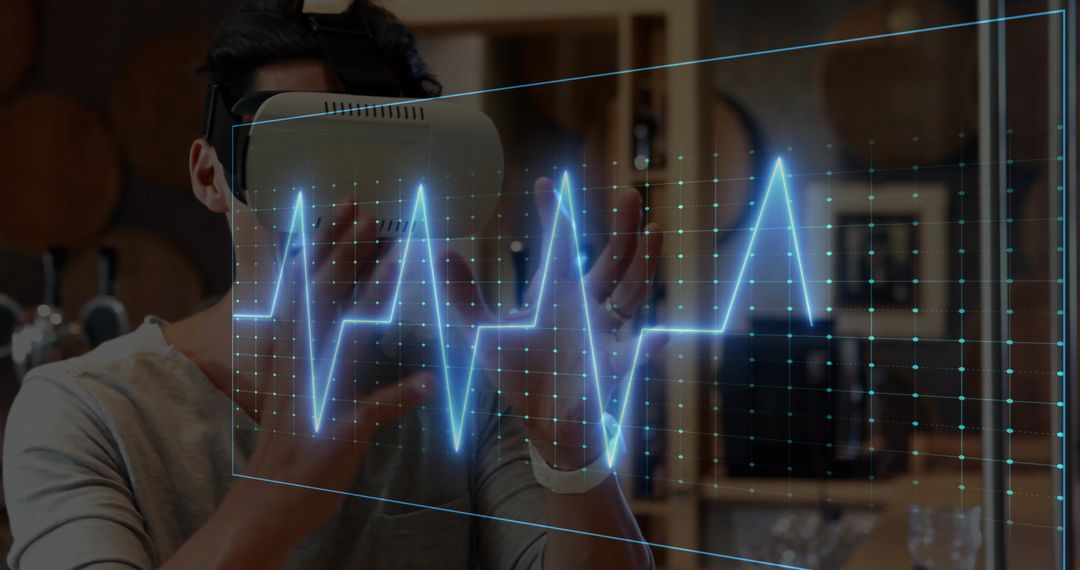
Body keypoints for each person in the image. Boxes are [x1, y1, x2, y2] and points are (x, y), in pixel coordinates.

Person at [3, 1, 665, 568]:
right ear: (210, 177)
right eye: (297, 158)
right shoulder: (84, 410)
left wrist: (571, 446)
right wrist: (274, 494)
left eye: (376, 168)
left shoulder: (463, 391)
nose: (337, 209)